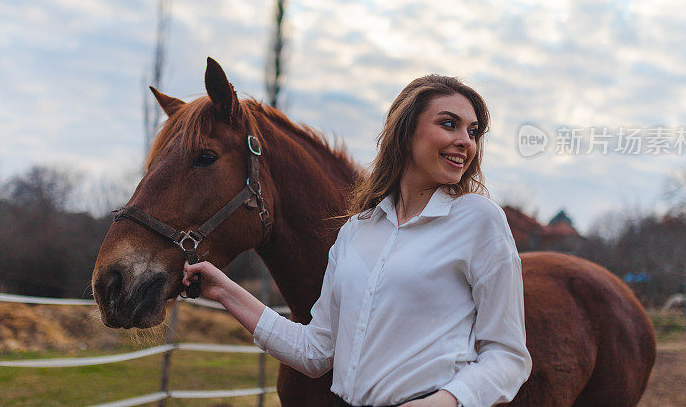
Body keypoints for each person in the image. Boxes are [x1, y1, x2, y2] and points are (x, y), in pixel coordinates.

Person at [183, 75, 532, 407]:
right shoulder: (356, 230)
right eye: (449, 124)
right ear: (406, 130)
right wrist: (223, 290)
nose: (466, 141)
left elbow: (508, 356)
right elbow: (315, 351)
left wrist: (448, 400)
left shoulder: (479, 220)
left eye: (473, 132)